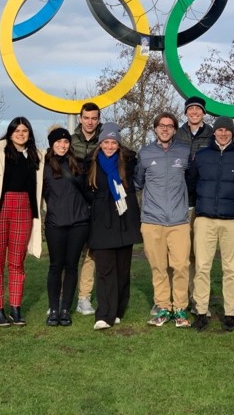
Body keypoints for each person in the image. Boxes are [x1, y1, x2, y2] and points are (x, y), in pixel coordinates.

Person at [0, 117, 44, 327]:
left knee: (17, 261)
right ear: (10, 132)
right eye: (17, 130)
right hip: (0, 208)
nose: (20, 134)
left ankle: (15, 307)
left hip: (25, 209)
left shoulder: (37, 156)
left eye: (24, 131)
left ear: (29, 133)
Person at [188, 116, 234, 332]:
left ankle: (229, 314)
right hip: (205, 219)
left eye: (227, 130)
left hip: (233, 221)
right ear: (214, 132)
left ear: (232, 133)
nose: (223, 133)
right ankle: (201, 312)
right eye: (219, 130)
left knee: (231, 269)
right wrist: (197, 209)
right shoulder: (201, 156)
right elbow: (190, 184)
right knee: (202, 267)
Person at [134, 112, 191, 328]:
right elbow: (138, 182)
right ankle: (163, 307)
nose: (165, 129)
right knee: (158, 267)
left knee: (181, 266)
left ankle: (180, 310)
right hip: (152, 220)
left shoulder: (184, 152)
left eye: (169, 126)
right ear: (155, 129)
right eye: (161, 125)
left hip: (178, 221)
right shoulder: (146, 153)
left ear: (175, 129)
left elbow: (191, 179)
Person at [85, 123, 142, 330]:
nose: (109, 146)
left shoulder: (128, 162)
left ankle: (118, 310)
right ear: (100, 143)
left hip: (124, 219)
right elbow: (85, 188)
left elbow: (138, 180)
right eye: (106, 142)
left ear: (119, 144)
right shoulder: (91, 162)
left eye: (113, 142)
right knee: (104, 269)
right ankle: (104, 314)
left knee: (122, 269)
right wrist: (97, 200)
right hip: (102, 222)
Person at [42, 127, 90, 327]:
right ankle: (53, 308)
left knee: (71, 266)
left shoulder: (78, 164)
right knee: (55, 266)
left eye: (66, 142)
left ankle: (65, 309)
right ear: (52, 144)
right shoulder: (43, 166)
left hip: (79, 223)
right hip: (55, 224)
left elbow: (88, 190)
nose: (62, 145)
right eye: (58, 142)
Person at [175, 95, 213, 316]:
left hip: (204, 200)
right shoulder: (177, 134)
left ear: (203, 113)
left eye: (198, 109)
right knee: (183, 254)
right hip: (181, 200)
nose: (195, 113)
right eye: (191, 109)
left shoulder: (212, 134)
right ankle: (184, 296)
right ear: (186, 113)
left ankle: (201, 299)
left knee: (201, 254)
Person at [71, 101, 102, 316]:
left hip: (96, 203)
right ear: (80, 118)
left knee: (91, 254)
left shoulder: (105, 141)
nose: (90, 122)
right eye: (86, 117)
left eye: (94, 118)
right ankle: (63, 298)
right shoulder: (69, 141)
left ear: (98, 120)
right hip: (72, 204)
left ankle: (84, 297)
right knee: (69, 254)